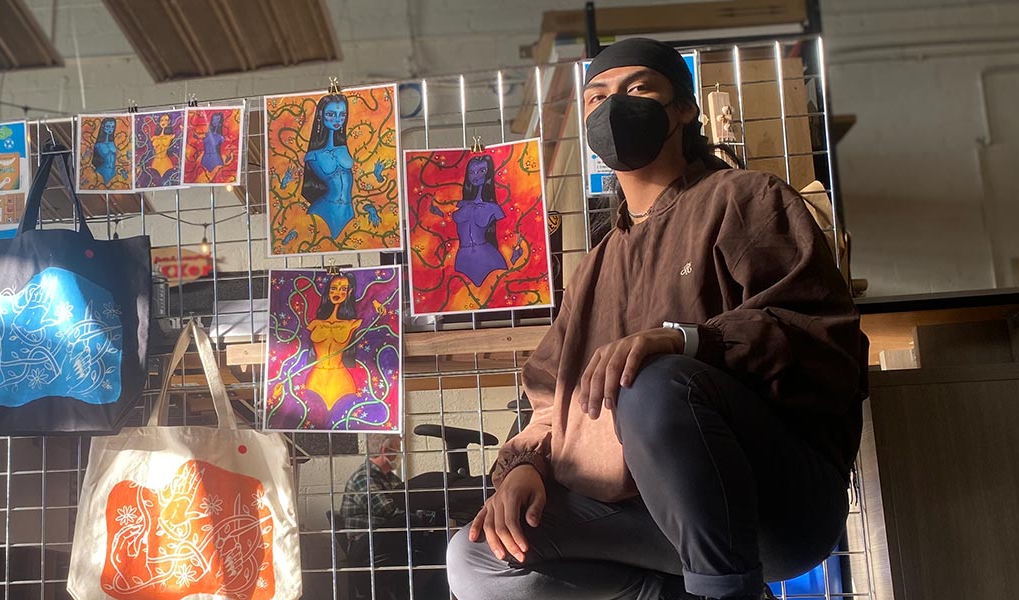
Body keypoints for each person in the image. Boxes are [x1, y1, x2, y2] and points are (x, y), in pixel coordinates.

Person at [445, 38, 868, 600]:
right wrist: (524, 467)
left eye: (638, 89)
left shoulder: (746, 199)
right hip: (645, 518)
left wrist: (688, 342)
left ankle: (725, 590)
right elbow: (550, 397)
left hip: (771, 505)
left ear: (684, 109)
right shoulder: (595, 266)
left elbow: (818, 336)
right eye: (597, 98)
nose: (613, 108)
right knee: (476, 558)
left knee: (652, 383)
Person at [340, 435, 451, 600]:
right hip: (366, 543)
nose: (400, 453)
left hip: (385, 538)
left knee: (437, 543)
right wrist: (423, 515)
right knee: (410, 522)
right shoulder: (364, 477)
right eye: (397, 449)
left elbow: (407, 505)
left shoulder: (391, 478)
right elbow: (391, 510)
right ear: (385, 450)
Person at [303, 93, 357, 239]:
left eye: (342, 114)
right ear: (321, 114)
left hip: (348, 210)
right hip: (324, 210)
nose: (337, 119)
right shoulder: (313, 155)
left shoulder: (344, 149)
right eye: (331, 114)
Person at [452, 154, 509, 286]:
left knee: (494, 293)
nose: (476, 175)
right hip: (463, 259)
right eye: (472, 172)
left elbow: (508, 235)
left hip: (488, 260)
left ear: (488, 174)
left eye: (481, 171)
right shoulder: (460, 205)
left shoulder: (494, 208)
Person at [306, 273, 361, 409]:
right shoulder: (315, 323)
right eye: (334, 288)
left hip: (342, 382)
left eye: (343, 289)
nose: (337, 293)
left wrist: (377, 304)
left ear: (349, 292)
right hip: (315, 380)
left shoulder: (352, 323)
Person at [91, 117, 120, 185]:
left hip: (113, 172)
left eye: (112, 127)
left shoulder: (113, 143)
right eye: (108, 126)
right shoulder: (97, 145)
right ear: (103, 126)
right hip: (101, 171)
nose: (110, 129)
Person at [200, 111, 228, 177]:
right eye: (214, 119)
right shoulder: (207, 134)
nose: (215, 121)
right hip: (205, 158)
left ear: (220, 121)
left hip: (215, 159)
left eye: (217, 119)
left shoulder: (220, 137)